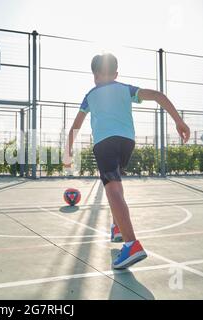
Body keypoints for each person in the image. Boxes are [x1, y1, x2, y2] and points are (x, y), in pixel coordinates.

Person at [64, 53, 190, 269]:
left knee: (112, 189)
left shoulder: (90, 95)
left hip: (104, 142)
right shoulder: (125, 88)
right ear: (115, 74)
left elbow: (76, 126)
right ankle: (117, 228)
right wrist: (179, 121)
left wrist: (67, 154)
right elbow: (158, 95)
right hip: (127, 142)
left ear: (94, 76)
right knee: (116, 185)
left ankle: (132, 245)